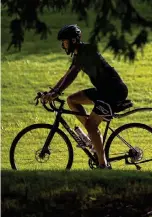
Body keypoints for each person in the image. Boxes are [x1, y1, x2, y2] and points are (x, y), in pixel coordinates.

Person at [41, 24, 129, 169]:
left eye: (65, 41)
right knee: (72, 100)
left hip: (113, 92)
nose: (63, 45)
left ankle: (103, 165)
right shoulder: (79, 54)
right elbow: (66, 76)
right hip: (103, 91)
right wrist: (52, 91)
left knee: (91, 125)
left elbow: (72, 76)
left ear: (73, 40)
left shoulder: (86, 52)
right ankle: (92, 138)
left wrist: (55, 93)